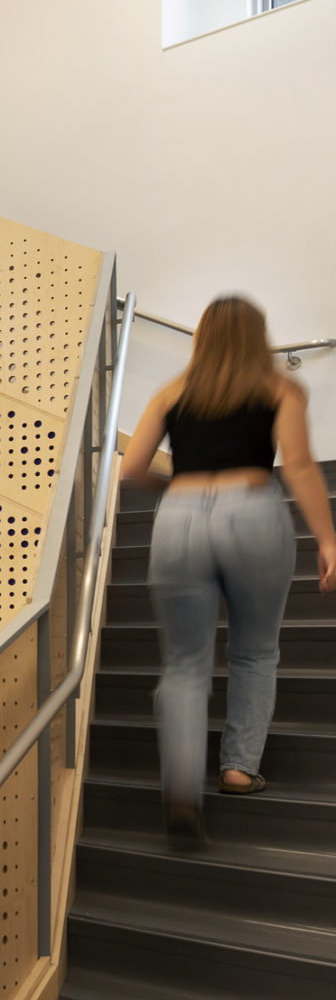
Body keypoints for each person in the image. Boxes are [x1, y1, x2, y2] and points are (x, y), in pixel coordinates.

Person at [122, 295, 336, 844]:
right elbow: (302, 464)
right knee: (256, 649)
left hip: (180, 519)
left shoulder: (172, 391)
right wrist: (328, 537)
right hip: (254, 513)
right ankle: (239, 768)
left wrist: (177, 490)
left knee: (186, 664)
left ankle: (182, 795)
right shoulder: (279, 387)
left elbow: (131, 468)